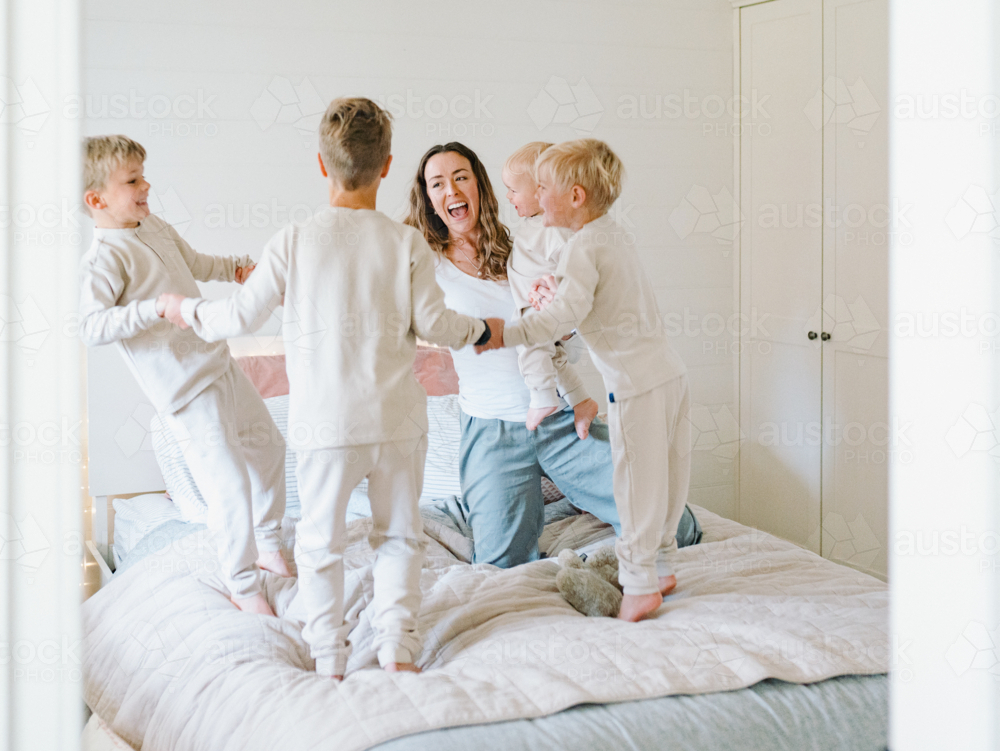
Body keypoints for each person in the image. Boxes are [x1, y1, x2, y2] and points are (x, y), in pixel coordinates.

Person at [159, 99, 503, 679]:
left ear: (322, 165)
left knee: (320, 545)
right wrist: (481, 330)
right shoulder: (406, 244)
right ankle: (397, 648)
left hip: (325, 428)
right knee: (400, 536)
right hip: (396, 422)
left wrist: (182, 306)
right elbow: (439, 327)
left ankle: (329, 657)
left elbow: (237, 318)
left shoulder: (294, 240)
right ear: (388, 165)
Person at [405, 141, 701, 572]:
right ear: (429, 198)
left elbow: (572, 331)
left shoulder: (527, 245)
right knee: (501, 565)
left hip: (560, 418)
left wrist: (559, 313)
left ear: (481, 187)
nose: (451, 189)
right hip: (493, 429)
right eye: (438, 183)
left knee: (678, 528)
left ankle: (598, 564)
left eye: (461, 177)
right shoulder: (425, 266)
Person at [477, 138, 691, 623]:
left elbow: (557, 320)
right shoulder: (614, 234)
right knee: (668, 478)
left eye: (543, 187)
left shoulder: (579, 249)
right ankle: (660, 564)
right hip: (670, 373)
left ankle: (638, 585)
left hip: (635, 383)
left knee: (635, 482)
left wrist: (505, 331)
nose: (534, 196)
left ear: (574, 197)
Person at [78, 135, 289, 618]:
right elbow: (91, 327)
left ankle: (270, 541)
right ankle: (240, 582)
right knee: (230, 485)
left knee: (269, 448)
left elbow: (194, 263)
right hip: (185, 392)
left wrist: (238, 268)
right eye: (132, 181)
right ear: (97, 199)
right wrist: (152, 308)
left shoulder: (151, 224)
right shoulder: (104, 261)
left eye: (142, 175)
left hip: (218, 365)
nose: (145, 185)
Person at [501, 141, 585, 431]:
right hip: (535, 306)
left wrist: (560, 293)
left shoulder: (554, 228)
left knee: (532, 347)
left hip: (540, 308)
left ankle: (542, 398)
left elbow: (576, 264)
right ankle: (581, 400)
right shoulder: (536, 224)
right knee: (555, 357)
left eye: (513, 189)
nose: (508, 196)